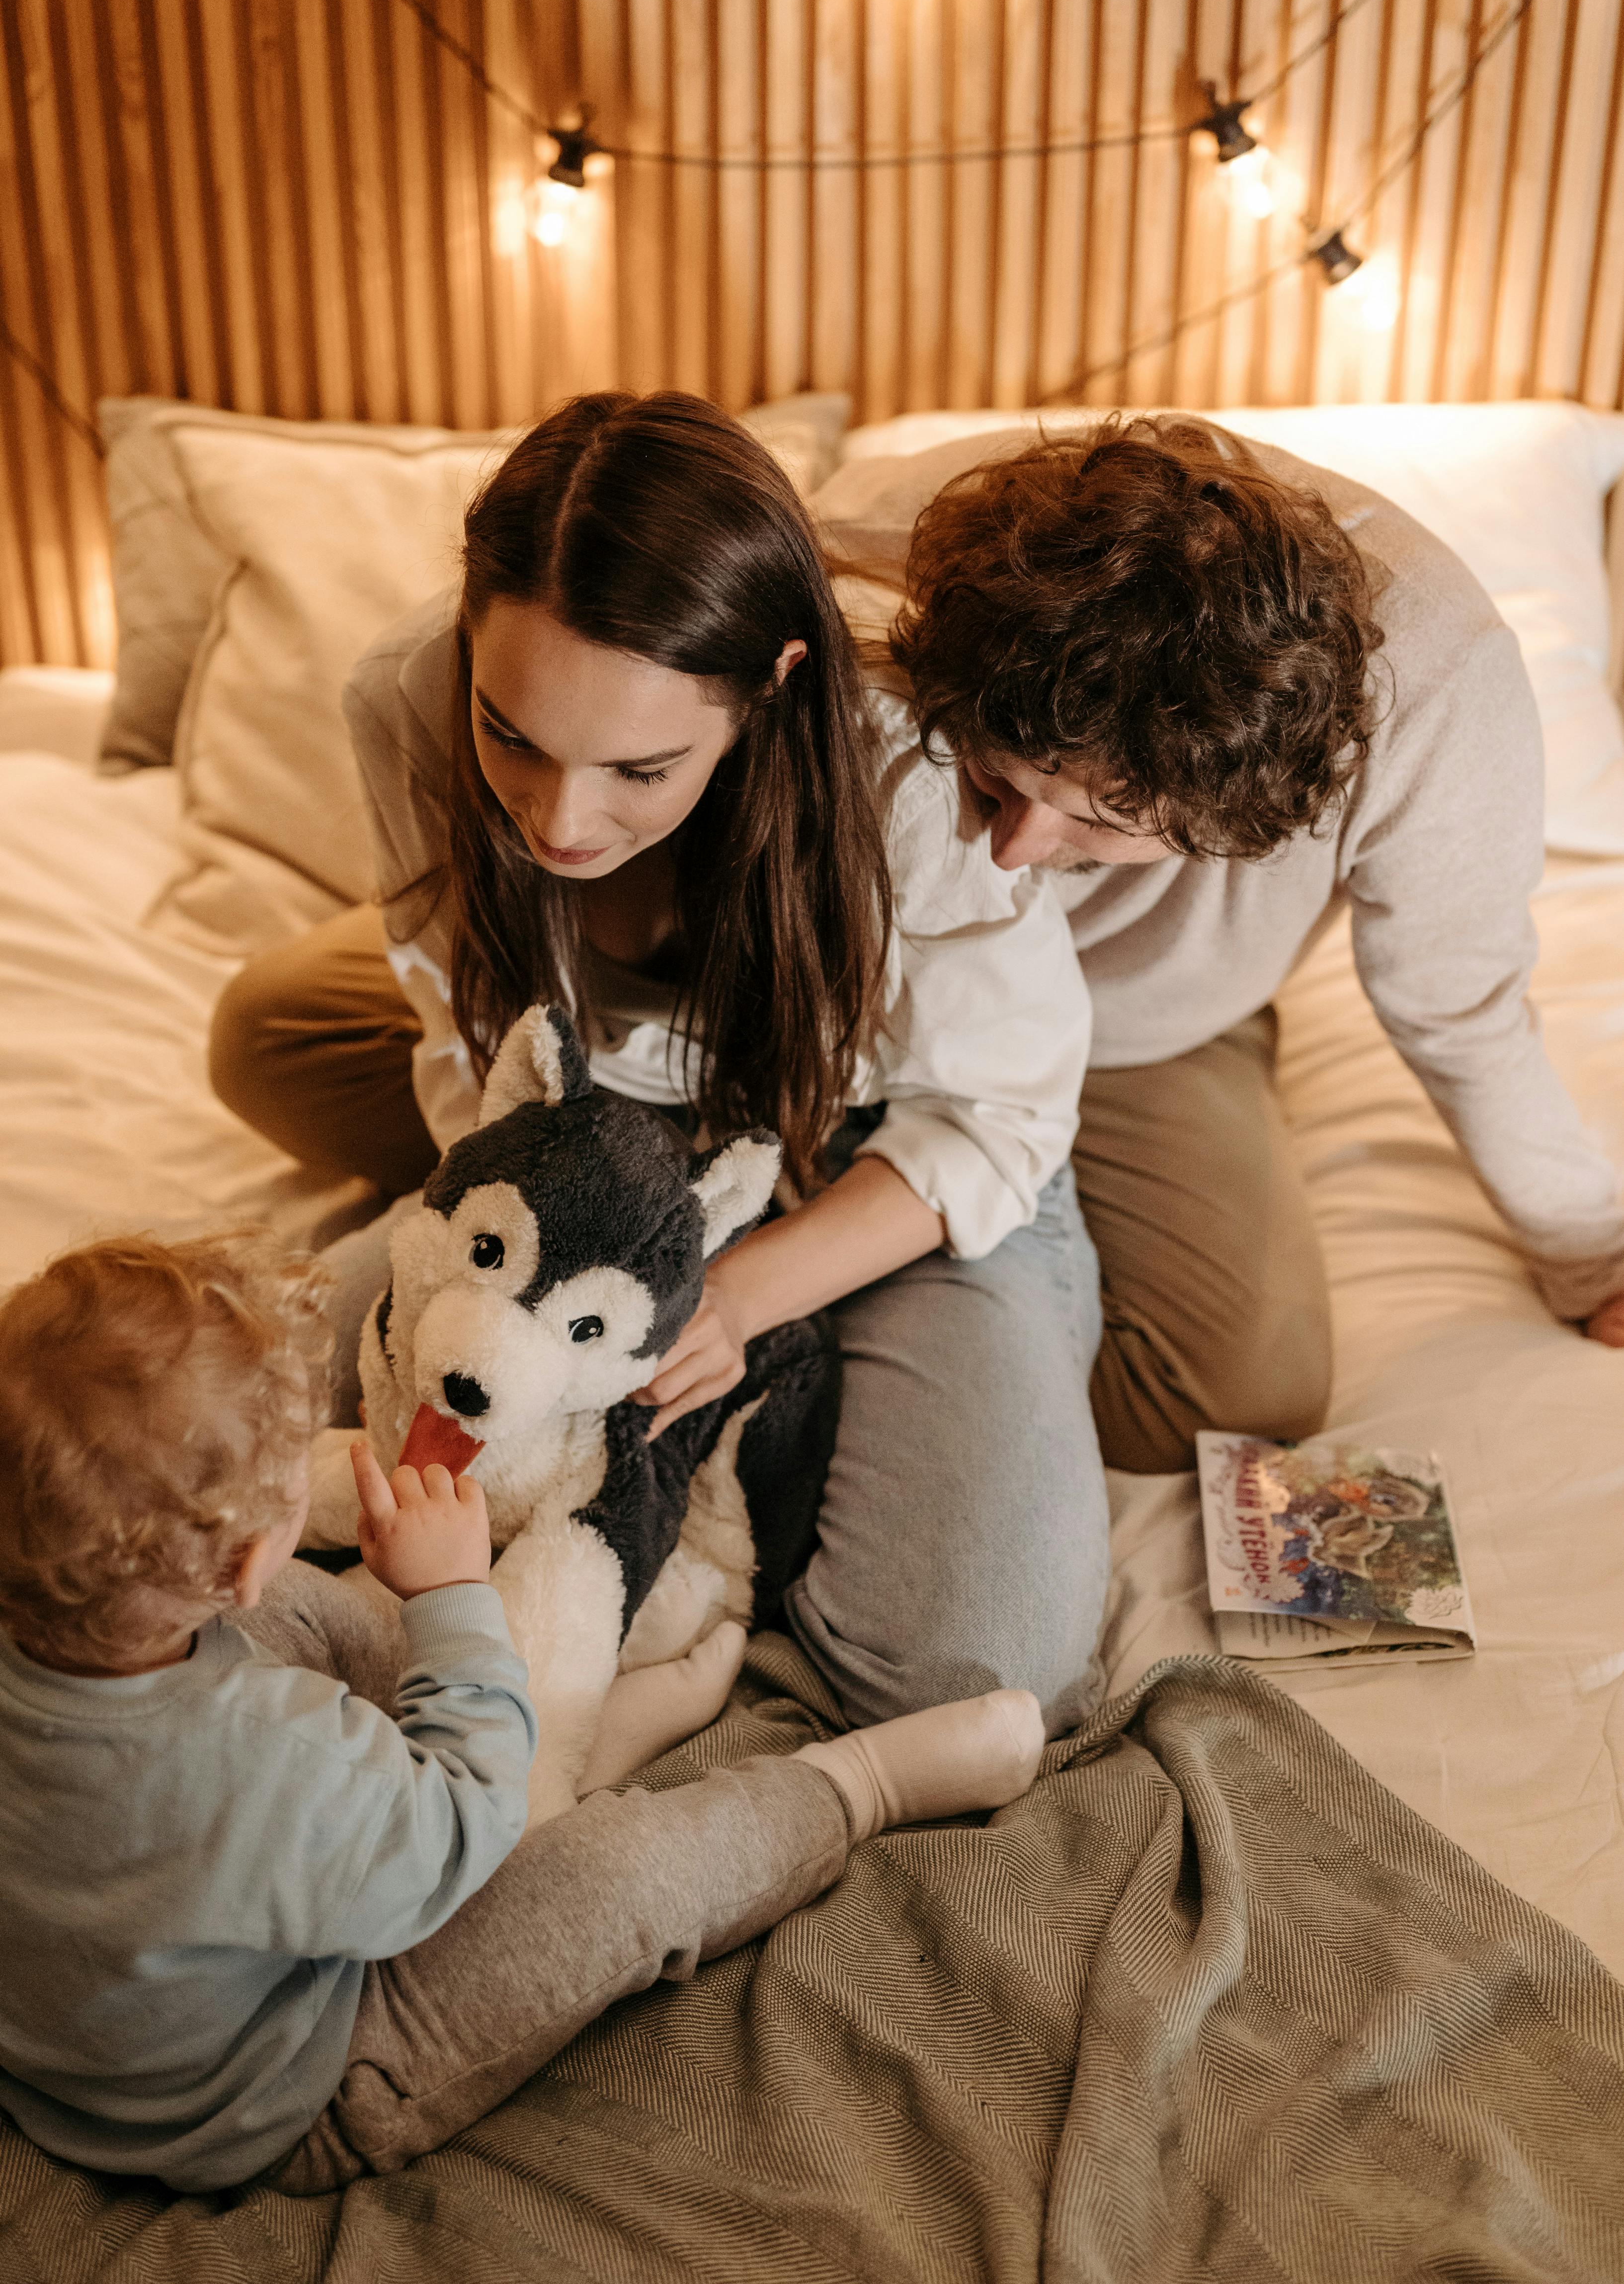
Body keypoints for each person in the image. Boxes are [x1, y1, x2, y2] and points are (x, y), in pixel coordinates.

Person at [210, 391, 1106, 1733]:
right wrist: (503, 1236)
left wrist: (736, 1298)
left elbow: (995, 1122)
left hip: (893, 1161)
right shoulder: (403, 698)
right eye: (513, 737)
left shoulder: (902, 782)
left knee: (967, 1672)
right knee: (192, 1450)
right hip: (603, 1154)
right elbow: (463, 1039)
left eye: (641, 767)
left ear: (770, 693)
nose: (561, 821)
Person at [0, 1229, 1044, 2194]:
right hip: (290, 2083)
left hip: (121, 2004)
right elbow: (468, 1836)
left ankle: (554, 1714)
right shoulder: (263, 1762)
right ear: (233, 1561)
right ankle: (854, 1786)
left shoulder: (103, 1617)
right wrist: (453, 1601)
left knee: (298, 1615)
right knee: (606, 1884)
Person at [882, 409, 1624, 1472]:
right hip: (877, 972)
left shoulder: (1439, 680)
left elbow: (1460, 1009)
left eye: (1092, 822)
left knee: (1239, 1391)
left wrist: (1586, 1254)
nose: (1015, 852)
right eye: (997, 781)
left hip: (1141, 1026)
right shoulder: (941, 533)